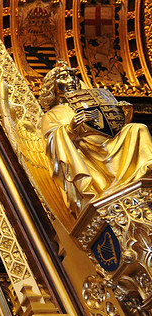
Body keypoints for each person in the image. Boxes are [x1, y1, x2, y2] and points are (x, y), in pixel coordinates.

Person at [41, 61, 152, 211]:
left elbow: (110, 128)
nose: (71, 80)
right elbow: (52, 142)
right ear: (53, 86)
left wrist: (122, 114)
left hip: (108, 143)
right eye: (63, 77)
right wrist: (70, 128)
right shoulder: (52, 114)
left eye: (73, 76)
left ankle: (146, 169)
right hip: (86, 152)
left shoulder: (88, 103)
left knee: (138, 128)